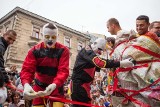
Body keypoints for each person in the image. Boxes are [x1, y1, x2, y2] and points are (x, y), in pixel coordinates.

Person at [111, 15, 160, 107]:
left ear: (148, 25)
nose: (138, 28)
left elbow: (128, 54)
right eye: (137, 25)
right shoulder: (137, 37)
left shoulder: (149, 37)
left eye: (141, 25)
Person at [71, 38, 135, 107]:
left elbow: (99, 66)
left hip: (83, 84)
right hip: (79, 84)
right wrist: (121, 63)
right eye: (100, 49)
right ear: (95, 44)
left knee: (85, 103)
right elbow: (100, 63)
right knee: (81, 104)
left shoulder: (90, 55)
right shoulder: (87, 51)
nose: (100, 52)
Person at [20, 23, 70, 107]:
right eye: (47, 37)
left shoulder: (63, 50)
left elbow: (63, 71)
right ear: (42, 35)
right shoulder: (34, 50)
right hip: (39, 87)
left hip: (56, 88)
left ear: (57, 36)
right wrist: (26, 84)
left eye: (53, 37)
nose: (50, 40)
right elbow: (27, 70)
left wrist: (55, 84)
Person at [0, 30, 17, 106]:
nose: (11, 42)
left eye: (13, 40)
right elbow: (0, 65)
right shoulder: (1, 45)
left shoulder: (3, 45)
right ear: (4, 35)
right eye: (9, 38)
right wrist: (8, 81)